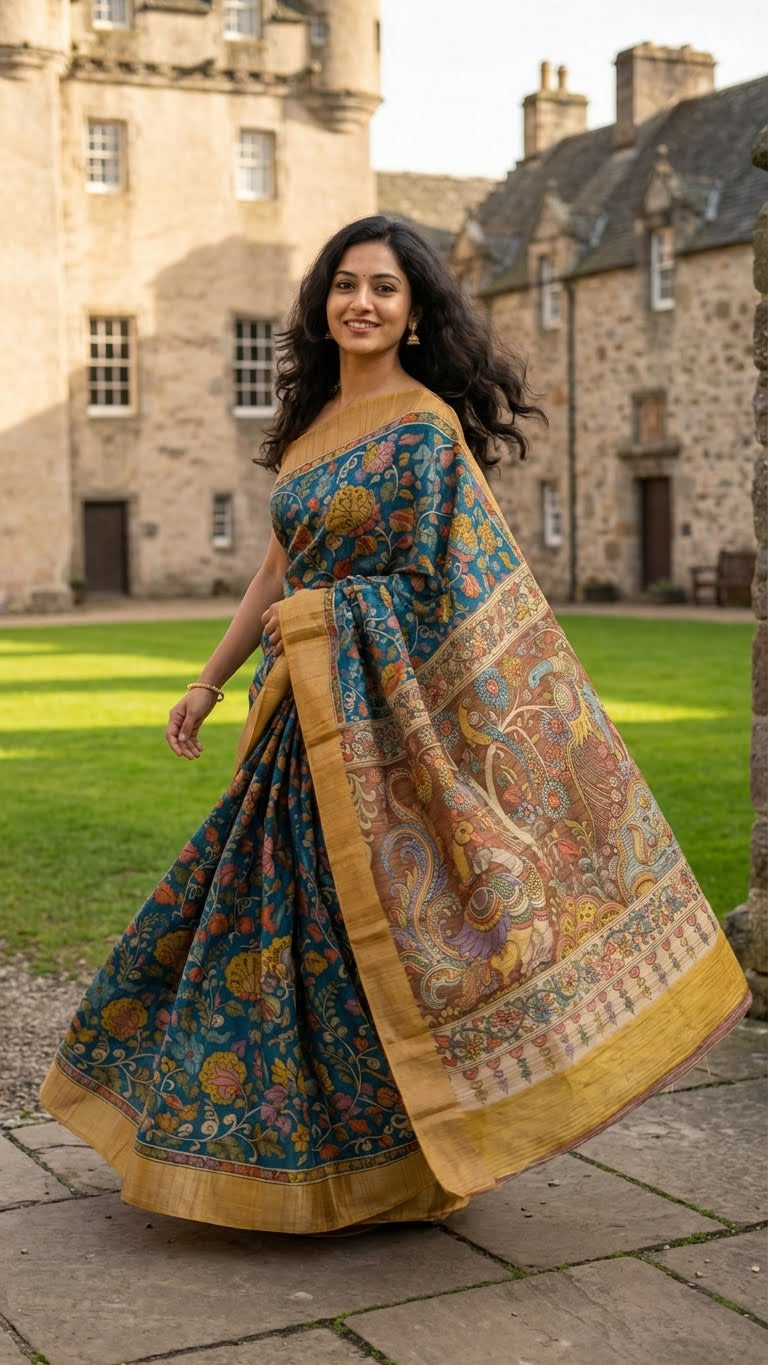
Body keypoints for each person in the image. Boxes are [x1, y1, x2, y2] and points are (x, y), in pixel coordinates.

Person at [42, 215, 750, 1234]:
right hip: (298, 720)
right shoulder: (311, 426)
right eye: (344, 285)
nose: (360, 303)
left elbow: (441, 588)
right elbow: (278, 568)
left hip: (378, 729)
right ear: (322, 304)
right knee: (266, 932)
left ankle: (399, 1169)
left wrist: (325, 622)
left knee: (373, 947)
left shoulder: (424, 429)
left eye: (383, 288)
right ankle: (270, 1158)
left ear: (415, 315)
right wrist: (208, 679)